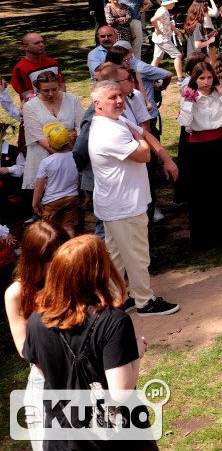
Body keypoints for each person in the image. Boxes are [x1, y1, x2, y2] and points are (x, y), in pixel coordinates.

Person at [21, 235, 153, 445]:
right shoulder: (113, 321)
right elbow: (119, 393)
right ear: (100, 271)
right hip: (113, 439)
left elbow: (42, 371)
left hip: (62, 436)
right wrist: (135, 354)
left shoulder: (36, 320)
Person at [89, 80, 180, 315]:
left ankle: (117, 299)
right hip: (124, 205)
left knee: (117, 255)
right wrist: (141, 139)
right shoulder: (108, 130)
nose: (119, 101)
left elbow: (144, 134)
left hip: (120, 204)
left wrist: (160, 153)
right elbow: (143, 154)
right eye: (112, 97)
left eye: (120, 95)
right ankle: (145, 301)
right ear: (97, 104)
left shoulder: (117, 121)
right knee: (137, 255)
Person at [4, 220, 69, 451]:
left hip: (83, 374)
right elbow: (25, 350)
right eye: (50, 258)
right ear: (34, 258)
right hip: (45, 379)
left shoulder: (72, 282)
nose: (57, 264)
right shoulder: (16, 293)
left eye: (62, 254)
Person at [177, 61, 222, 249]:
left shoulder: (219, 96)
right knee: (200, 191)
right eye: (202, 78)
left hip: (219, 143)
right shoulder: (190, 97)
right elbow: (184, 123)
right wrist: (188, 102)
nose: (206, 82)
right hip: (197, 147)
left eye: (209, 77)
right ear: (195, 79)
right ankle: (201, 237)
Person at [21, 72, 84, 202]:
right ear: (38, 89)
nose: (50, 93)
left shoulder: (72, 99)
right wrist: (63, 151)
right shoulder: (30, 106)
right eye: (45, 90)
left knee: (72, 198)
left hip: (71, 152)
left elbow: (81, 127)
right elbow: (38, 136)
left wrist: (70, 152)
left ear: (59, 85)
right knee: (47, 198)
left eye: (54, 89)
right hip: (44, 154)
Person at [31, 123, 81, 238]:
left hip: (52, 201)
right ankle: (70, 253)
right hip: (72, 198)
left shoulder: (46, 162)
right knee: (69, 228)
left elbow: (39, 186)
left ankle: (53, 253)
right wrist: (83, 193)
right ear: (69, 141)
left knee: (51, 230)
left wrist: (34, 204)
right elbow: (79, 177)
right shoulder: (75, 157)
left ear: (49, 144)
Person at [10, 33, 64, 102]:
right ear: (25, 47)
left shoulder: (52, 62)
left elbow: (61, 86)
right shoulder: (20, 69)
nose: (41, 45)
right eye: (36, 43)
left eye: (42, 42)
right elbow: (28, 96)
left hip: (58, 104)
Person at [151, 0, 185, 82]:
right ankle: (180, 78)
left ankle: (149, 77)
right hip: (162, 39)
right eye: (173, 3)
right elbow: (153, 20)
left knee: (157, 58)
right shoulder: (162, 11)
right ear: (168, 3)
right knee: (178, 55)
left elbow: (169, 23)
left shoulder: (165, 10)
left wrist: (178, 32)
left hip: (160, 38)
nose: (174, 4)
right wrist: (158, 30)